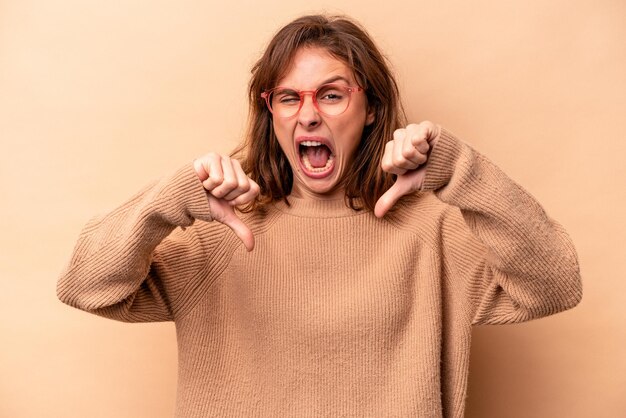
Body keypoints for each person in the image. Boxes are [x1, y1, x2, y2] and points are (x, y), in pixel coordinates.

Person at [57, 14, 582, 417]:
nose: (308, 113)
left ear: (371, 106)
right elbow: (84, 286)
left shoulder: (432, 231)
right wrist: (171, 200)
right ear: (271, 111)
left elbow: (556, 284)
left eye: (331, 94)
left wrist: (457, 168)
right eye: (288, 97)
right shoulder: (222, 233)